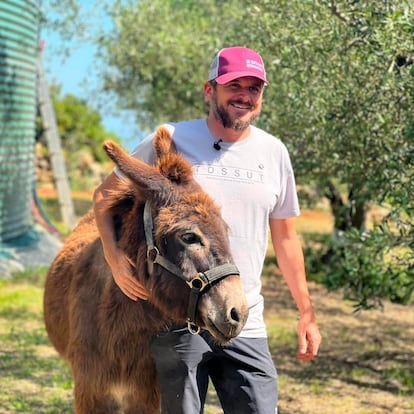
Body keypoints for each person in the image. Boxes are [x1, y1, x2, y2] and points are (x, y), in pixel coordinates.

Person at [93, 46, 321, 413]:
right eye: (234, 86)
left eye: (254, 88)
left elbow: (286, 237)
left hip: (244, 315)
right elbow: (104, 196)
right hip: (181, 319)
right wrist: (114, 257)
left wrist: (306, 311)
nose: (244, 96)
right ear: (209, 90)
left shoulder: (273, 153)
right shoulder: (171, 138)